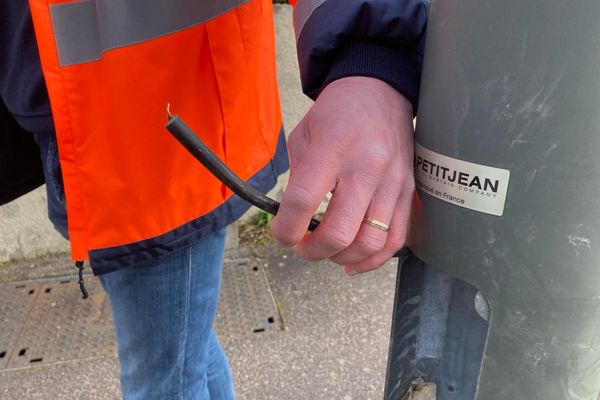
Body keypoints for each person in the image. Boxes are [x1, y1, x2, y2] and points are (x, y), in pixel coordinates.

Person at [1, 0, 428, 398]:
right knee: (186, 350)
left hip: (160, 157)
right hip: (67, 136)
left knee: (163, 377)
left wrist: (369, 57)